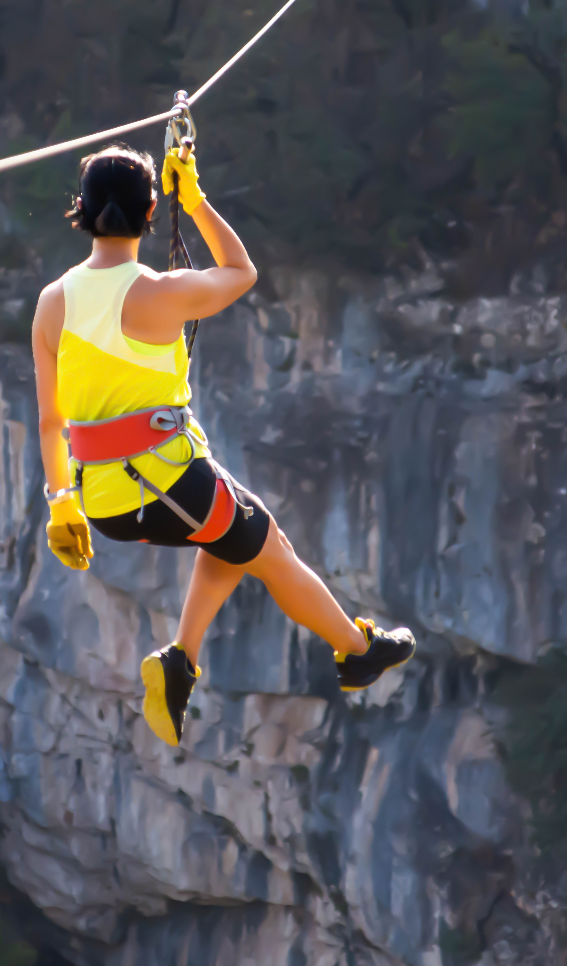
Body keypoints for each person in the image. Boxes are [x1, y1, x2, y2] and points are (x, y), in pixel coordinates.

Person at [30, 137, 416, 747]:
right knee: (271, 548)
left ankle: (181, 659)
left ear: (81, 210)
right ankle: (356, 651)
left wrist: (60, 505)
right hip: (167, 481)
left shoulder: (52, 303)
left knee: (231, 537)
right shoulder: (162, 292)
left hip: (103, 505)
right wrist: (198, 197)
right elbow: (242, 271)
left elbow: (52, 422)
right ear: (150, 212)